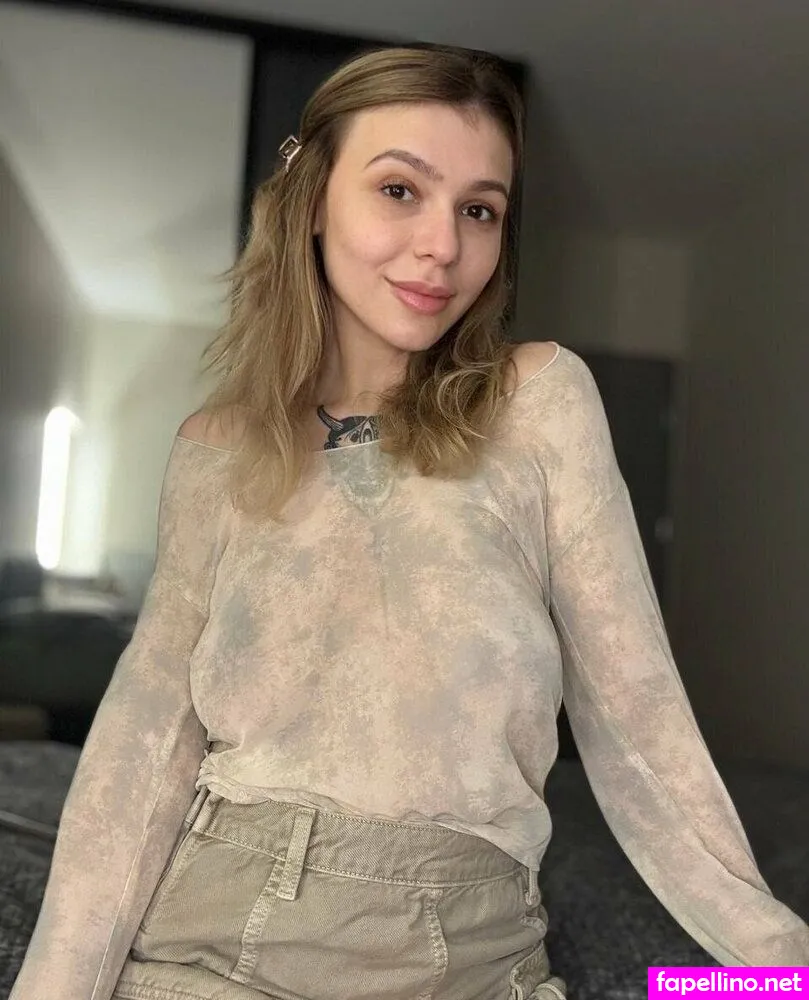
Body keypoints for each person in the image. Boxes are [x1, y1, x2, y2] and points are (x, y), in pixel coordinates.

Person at [10, 43, 809, 1000]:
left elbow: (636, 713)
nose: (442, 245)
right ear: (313, 199)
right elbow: (146, 736)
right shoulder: (216, 448)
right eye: (399, 190)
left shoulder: (538, 399)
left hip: (475, 958)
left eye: (479, 210)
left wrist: (780, 968)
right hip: (218, 940)